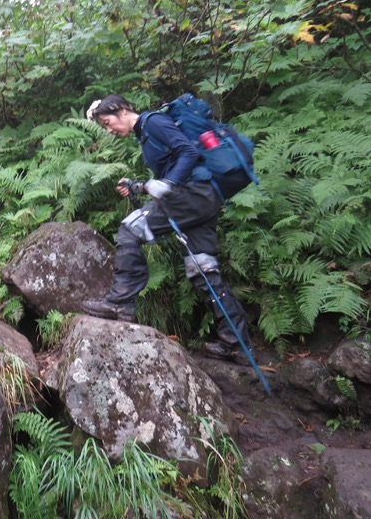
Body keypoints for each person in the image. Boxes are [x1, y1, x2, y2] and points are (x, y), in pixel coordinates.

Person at [81, 94, 253, 363]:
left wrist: (167, 183)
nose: (109, 129)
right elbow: (179, 163)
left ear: (122, 110)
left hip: (192, 196)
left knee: (129, 229)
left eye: (107, 122)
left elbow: (188, 152)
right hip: (204, 199)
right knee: (203, 269)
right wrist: (140, 185)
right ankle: (236, 344)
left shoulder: (153, 123)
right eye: (104, 126)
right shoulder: (148, 132)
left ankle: (119, 303)